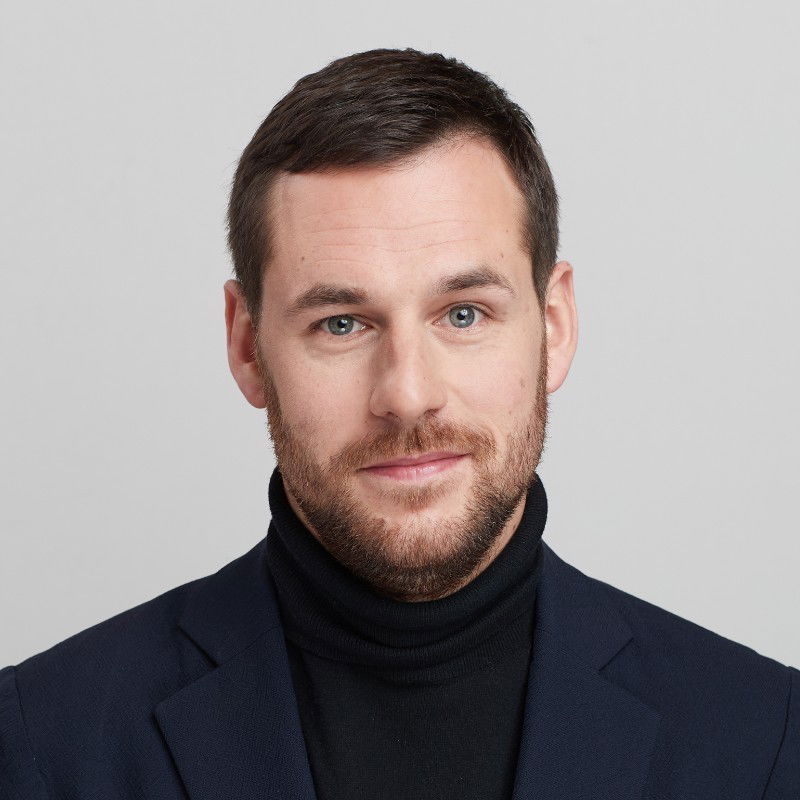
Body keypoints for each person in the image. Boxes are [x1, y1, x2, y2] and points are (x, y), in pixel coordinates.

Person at [0, 47, 797, 800]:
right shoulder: (42, 744)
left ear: (554, 327)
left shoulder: (765, 741)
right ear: (247, 346)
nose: (408, 396)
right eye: (341, 323)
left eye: (463, 313)